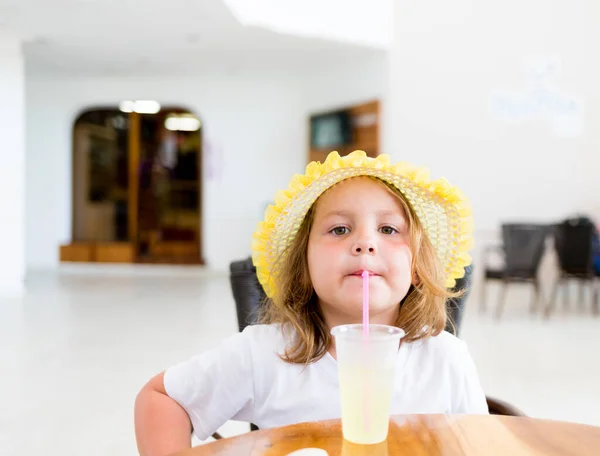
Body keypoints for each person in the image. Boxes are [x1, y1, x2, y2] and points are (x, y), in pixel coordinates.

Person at [134, 150, 488, 456]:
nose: (365, 243)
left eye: (389, 230)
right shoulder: (263, 354)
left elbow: (485, 447)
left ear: (416, 269)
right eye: (339, 230)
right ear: (305, 266)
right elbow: (162, 399)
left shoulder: (446, 360)